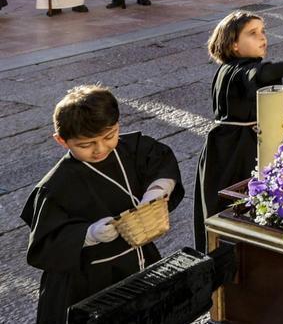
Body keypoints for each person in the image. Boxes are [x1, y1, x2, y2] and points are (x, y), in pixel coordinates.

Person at [22, 85, 184, 324]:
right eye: (85, 145)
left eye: (109, 136)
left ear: (118, 124)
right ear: (61, 141)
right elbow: (44, 245)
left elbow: (160, 163)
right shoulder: (55, 186)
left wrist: (157, 192)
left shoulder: (132, 148)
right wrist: (88, 234)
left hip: (138, 256)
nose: (100, 149)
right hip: (88, 280)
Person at [194, 11, 283, 249]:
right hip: (230, 151)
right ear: (234, 45)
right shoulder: (234, 71)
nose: (262, 38)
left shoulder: (252, 67)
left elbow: (281, 92)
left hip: (252, 144)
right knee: (229, 209)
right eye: (252, 33)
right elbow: (260, 76)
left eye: (263, 31)